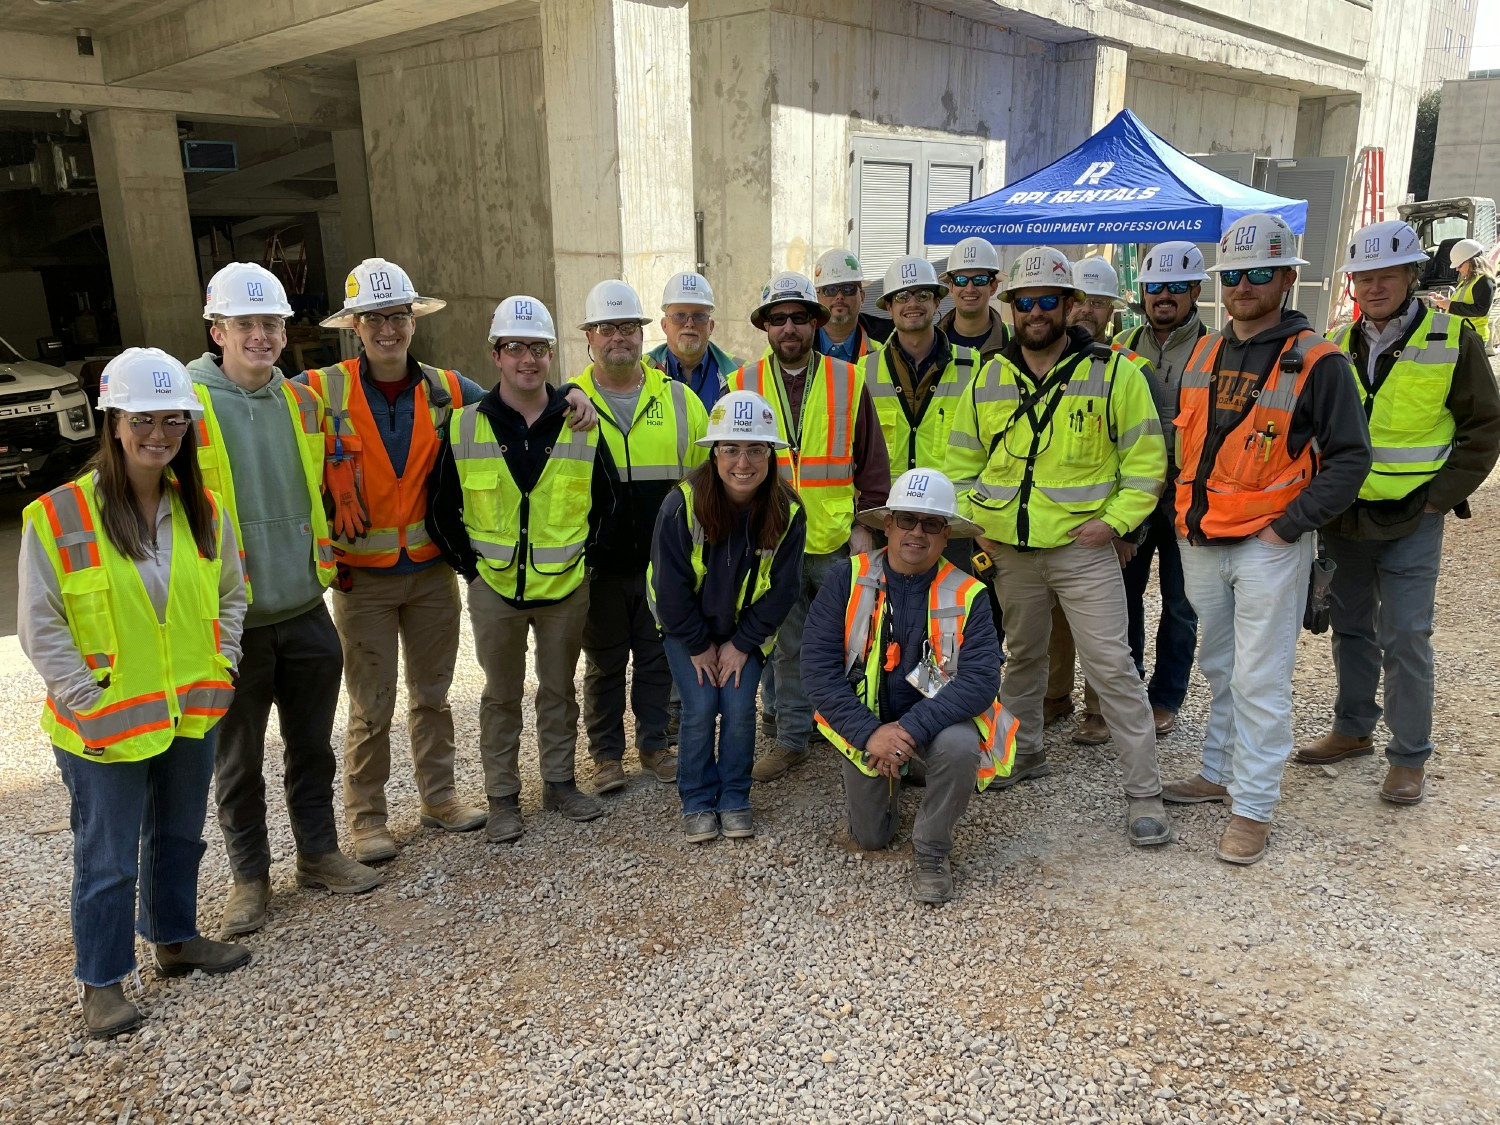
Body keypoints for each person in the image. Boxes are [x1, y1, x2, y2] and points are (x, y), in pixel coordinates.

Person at [20, 349, 251, 1039]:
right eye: (145, 420)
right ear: (115, 422)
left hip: (190, 710)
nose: (161, 433)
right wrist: (83, 696)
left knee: (179, 836)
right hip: (104, 724)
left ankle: (174, 937)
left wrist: (226, 662)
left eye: (174, 420)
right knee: (109, 856)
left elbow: (231, 596)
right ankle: (101, 982)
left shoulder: (202, 509)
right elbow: (41, 623)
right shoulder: (58, 515)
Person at [1161, 213, 1371, 865]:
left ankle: (1252, 807)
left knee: (1261, 677)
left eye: (1258, 274)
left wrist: (1289, 526)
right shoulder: (1204, 351)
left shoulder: (1319, 361)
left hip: (1268, 543)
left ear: (1286, 278)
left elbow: (1350, 459)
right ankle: (1218, 769)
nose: (1244, 286)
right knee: (1221, 665)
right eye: (1234, 275)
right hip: (1202, 536)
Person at [947, 246, 1172, 846]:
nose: (1037, 312)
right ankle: (1024, 755)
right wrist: (981, 525)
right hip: (1012, 549)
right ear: (1012, 308)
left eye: (1049, 300)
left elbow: (1147, 464)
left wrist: (1115, 526)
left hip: (1082, 548)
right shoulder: (988, 377)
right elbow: (961, 465)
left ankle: (1144, 793)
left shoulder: (1116, 373)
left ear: (1072, 305)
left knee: (1112, 665)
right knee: (1021, 658)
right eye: (1026, 302)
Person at [189, 263, 381, 939]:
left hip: (301, 606)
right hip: (230, 621)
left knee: (312, 747)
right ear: (218, 330)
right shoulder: (187, 401)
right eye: (246, 324)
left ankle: (319, 853)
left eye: (271, 323)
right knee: (237, 761)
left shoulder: (299, 400)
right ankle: (250, 878)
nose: (262, 336)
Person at [1294, 221, 1500, 803]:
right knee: (1351, 629)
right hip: (1345, 517)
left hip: (1414, 515)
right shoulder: (1332, 342)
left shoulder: (1451, 339)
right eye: (1364, 275)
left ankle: (1409, 755)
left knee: (1407, 634)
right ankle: (1353, 728)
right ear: (1352, 282)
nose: (1375, 284)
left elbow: (1484, 428)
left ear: (1412, 275)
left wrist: (1439, 497)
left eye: (1387, 273)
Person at [302, 258, 489, 864]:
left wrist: (571, 398)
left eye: (398, 316)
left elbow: (517, 405)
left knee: (432, 695)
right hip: (364, 581)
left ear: (413, 321)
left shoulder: (449, 389)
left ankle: (439, 799)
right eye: (375, 318)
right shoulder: (319, 390)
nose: (388, 329)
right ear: (354, 326)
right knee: (371, 705)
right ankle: (367, 820)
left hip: (432, 572)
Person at [427, 296, 610, 839]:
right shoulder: (464, 427)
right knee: (500, 696)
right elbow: (440, 511)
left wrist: (586, 565)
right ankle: (503, 797)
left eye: (537, 348)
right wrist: (472, 571)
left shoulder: (580, 422)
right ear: (496, 354)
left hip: (564, 589)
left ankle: (559, 784)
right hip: (495, 589)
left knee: (560, 690)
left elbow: (605, 506)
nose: (527, 360)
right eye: (515, 348)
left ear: (551, 354)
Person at [803, 470, 1017, 903]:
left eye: (932, 524)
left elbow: (979, 683)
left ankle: (932, 848)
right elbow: (817, 671)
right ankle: (908, 768)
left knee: (959, 747)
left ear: (946, 535)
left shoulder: (971, 593)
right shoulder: (845, 579)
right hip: (868, 720)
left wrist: (908, 732)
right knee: (871, 838)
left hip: (934, 722)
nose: (917, 532)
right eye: (906, 520)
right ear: (887, 525)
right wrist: (870, 734)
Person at [726, 271, 891, 782]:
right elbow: (726, 465)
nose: (790, 328)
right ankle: (793, 739)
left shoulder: (847, 380)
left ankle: (855, 731)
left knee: (856, 642)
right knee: (787, 645)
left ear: (816, 323)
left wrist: (865, 524)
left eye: (800, 318)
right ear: (766, 328)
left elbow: (872, 463)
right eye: (779, 320)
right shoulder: (741, 386)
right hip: (773, 542)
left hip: (838, 541)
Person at [649, 391, 806, 842]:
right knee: (699, 706)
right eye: (731, 448)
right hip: (686, 628)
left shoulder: (787, 510)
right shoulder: (681, 505)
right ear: (714, 454)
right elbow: (671, 589)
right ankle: (697, 799)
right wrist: (700, 646)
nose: (744, 461)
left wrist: (740, 645)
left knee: (738, 707)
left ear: (770, 454)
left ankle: (735, 795)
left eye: (756, 448)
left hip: (745, 632)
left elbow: (784, 590)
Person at [573, 280, 709, 794]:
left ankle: (654, 745)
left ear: (642, 333)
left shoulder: (679, 400)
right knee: (604, 662)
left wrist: (696, 558)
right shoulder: (567, 402)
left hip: (662, 562)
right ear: (589, 336)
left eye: (628, 327)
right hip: (599, 564)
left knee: (656, 659)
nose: (618, 338)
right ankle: (606, 756)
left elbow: (703, 486)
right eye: (607, 328)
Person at [1105, 242, 1208, 740]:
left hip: (1189, 494)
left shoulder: (1216, 348)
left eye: (1176, 288)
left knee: (1180, 603)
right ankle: (1126, 693)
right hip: (1133, 491)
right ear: (1142, 292)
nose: (1164, 297)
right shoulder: (1120, 343)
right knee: (1123, 597)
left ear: (1195, 291)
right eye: (1155, 287)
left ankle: (1165, 698)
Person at [1045, 255, 1133, 742]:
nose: (1086, 311)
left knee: (1105, 632)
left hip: (1108, 524)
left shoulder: (1124, 369)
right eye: (1080, 300)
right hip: (1057, 524)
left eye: (1097, 302)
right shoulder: (1045, 365)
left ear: (1110, 312)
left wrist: (1123, 527)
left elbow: (1140, 454)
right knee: (1056, 622)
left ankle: (1099, 710)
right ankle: (1056, 696)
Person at [862, 256, 981, 485]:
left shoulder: (973, 366)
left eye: (922, 295)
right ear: (889, 307)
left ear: (937, 302)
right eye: (901, 296)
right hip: (886, 512)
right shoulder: (863, 372)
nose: (912, 304)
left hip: (948, 510)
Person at [647, 271, 738, 409]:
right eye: (679, 316)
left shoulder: (738, 372)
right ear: (664, 325)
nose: (689, 323)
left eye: (699, 316)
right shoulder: (642, 370)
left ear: (711, 327)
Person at [812, 248, 893, 361]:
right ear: (817, 298)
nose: (839, 296)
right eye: (830, 290)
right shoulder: (799, 340)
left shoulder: (890, 340)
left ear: (862, 297)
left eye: (848, 289)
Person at [938, 237, 1011, 360]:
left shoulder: (1016, 342)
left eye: (979, 280)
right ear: (951, 287)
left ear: (993, 286)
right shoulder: (930, 343)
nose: (970, 289)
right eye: (961, 280)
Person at [1431, 237, 1493, 347]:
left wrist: (1450, 305)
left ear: (1471, 262)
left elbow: (1481, 310)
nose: (1457, 269)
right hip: (1463, 335)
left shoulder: (1484, 281)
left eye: (1459, 265)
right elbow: (1462, 302)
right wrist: (1445, 301)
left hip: (1474, 337)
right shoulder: (1467, 282)